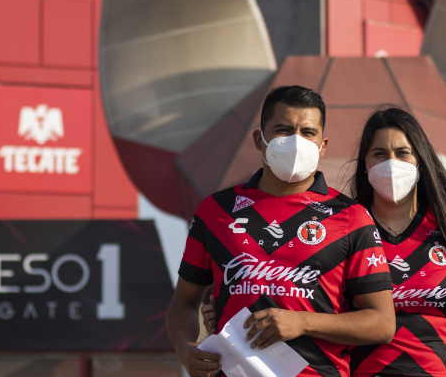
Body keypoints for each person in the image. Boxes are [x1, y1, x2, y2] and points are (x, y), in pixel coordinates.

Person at [166, 86, 396, 377]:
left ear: (323, 146)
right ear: (259, 140)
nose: (297, 141)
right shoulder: (215, 210)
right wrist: (186, 349)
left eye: (308, 132)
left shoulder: (352, 217)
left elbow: (382, 324)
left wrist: (302, 322)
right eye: (283, 130)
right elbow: (183, 303)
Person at [346, 107, 446, 377]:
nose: (391, 162)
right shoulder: (344, 230)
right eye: (379, 153)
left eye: (403, 152)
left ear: (421, 160)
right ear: (365, 164)